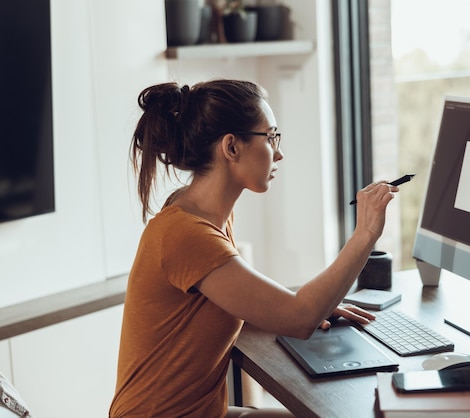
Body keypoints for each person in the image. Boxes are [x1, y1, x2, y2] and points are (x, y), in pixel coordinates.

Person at [109, 79, 399, 417]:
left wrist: (319, 305)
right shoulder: (187, 233)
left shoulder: (203, 215)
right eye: (271, 136)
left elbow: (247, 303)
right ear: (231, 147)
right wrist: (364, 233)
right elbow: (300, 317)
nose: (278, 152)